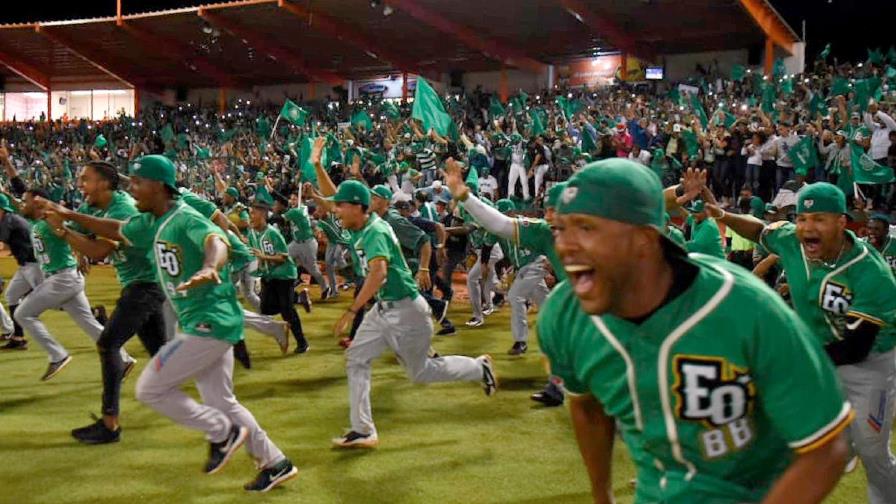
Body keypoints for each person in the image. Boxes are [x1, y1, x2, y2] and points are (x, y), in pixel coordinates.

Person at [541, 159, 851, 503]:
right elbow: (586, 406)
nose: (565, 246)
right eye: (559, 229)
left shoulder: (745, 306)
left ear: (645, 239)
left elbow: (827, 445)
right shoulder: (563, 315)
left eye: (586, 228)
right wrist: (602, 495)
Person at [75, 154, 297, 491]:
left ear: (159, 186)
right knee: (222, 401)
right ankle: (275, 462)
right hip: (202, 321)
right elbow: (117, 230)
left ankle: (223, 432)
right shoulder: (151, 220)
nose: (131, 190)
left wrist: (211, 265)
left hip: (208, 323)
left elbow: (215, 240)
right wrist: (66, 215)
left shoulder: (184, 217)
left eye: (137, 183)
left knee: (149, 388)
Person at [691, 174, 896, 504]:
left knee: (873, 451)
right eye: (801, 218)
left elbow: (856, 348)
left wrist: (791, 357)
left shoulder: (871, 273)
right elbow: (759, 230)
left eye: (818, 219)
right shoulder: (791, 240)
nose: (806, 227)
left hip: (869, 362)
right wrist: (722, 215)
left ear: (842, 222)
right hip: (817, 348)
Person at [329, 180, 496, 448]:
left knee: (420, 373)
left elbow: (379, 272)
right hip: (384, 309)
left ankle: (478, 368)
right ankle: (363, 429)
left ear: (358, 208)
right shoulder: (363, 223)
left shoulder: (375, 231)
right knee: (356, 358)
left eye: (341, 206)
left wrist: (351, 310)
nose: (336, 210)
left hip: (407, 311)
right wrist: (316, 166)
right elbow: (331, 195)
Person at [38, 160, 166, 444]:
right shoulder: (96, 206)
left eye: (86, 179)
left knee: (108, 344)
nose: (80, 184)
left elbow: (96, 249)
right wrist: (59, 221)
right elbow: (80, 230)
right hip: (143, 283)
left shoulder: (123, 210)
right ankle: (206, 379)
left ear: (105, 184)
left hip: (144, 285)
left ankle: (110, 424)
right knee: (161, 353)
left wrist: (64, 231)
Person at [15, 187, 133, 381]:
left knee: (22, 313)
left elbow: (79, 234)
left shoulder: (52, 221)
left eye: (25, 200)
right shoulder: (36, 222)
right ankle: (124, 359)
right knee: (89, 324)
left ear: (37, 203)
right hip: (65, 278)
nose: (22, 203)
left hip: (62, 278)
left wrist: (82, 253)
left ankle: (57, 355)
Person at [248, 196, 310, 355]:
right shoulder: (252, 234)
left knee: (286, 310)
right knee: (266, 308)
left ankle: (302, 343)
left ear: (262, 214)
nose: (251, 216)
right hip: (268, 276)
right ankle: (298, 298)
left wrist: (263, 257)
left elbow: (283, 257)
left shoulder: (273, 233)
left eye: (253, 213)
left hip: (284, 275)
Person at [0, 193, 42, 350]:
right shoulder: (7, 219)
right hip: (26, 265)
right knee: (11, 295)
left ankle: (94, 315)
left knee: (56, 303)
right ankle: (18, 338)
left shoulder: (7, 221)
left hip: (35, 265)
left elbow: (1, 246)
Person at [284, 191, 331, 300]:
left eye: (295, 199)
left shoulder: (299, 210)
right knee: (284, 259)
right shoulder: (298, 209)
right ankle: (290, 284)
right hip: (296, 243)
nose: (292, 201)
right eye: (291, 199)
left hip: (308, 243)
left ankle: (325, 287)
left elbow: (286, 217)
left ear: (301, 200)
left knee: (312, 269)